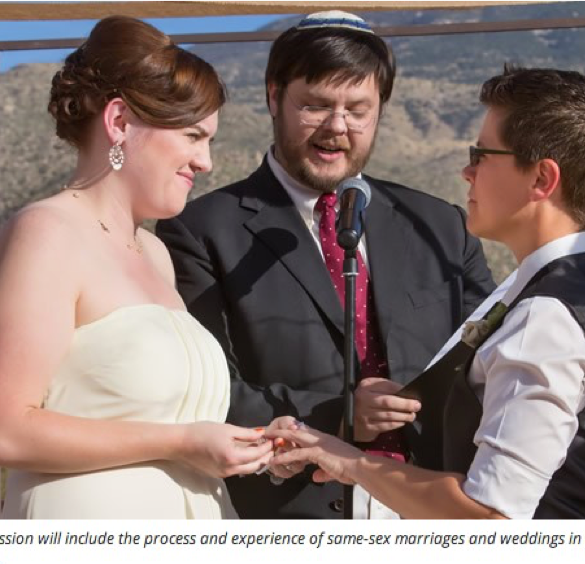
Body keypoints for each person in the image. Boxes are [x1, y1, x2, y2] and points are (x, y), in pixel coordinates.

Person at [269, 65, 585, 519]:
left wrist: (350, 461)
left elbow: (488, 515)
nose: (467, 171)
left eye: (482, 154)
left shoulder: (547, 316)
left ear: (541, 179)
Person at [156, 10, 495, 519]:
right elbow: (204, 390)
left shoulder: (441, 226)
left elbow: (488, 359)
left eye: (358, 109)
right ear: (275, 97)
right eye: (315, 106)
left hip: (432, 506)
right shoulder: (200, 229)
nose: (337, 128)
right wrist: (339, 417)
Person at [0, 16, 276, 519]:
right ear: (119, 122)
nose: (206, 162)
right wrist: (180, 442)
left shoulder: (155, 253)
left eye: (210, 142)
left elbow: (171, 424)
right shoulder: (46, 233)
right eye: (193, 136)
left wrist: (248, 445)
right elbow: (1, 432)